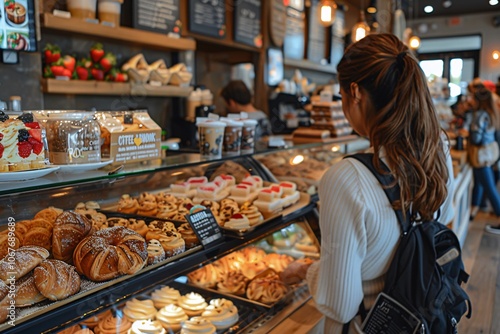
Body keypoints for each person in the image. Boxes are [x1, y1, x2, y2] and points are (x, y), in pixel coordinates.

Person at [305, 33, 455, 333]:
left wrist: (308, 272)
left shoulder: (346, 179)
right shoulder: (437, 147)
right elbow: (443, 221)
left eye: (341, 95)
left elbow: (340, 304)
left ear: (355, 91)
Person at [467, 85, 500, 234]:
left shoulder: (479, 115)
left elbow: (476, 138)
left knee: (490, 188)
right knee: (480, 183)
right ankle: (473, 210)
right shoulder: (491, 113)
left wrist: (468, 133)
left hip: (481, 154)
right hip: (489, 153)